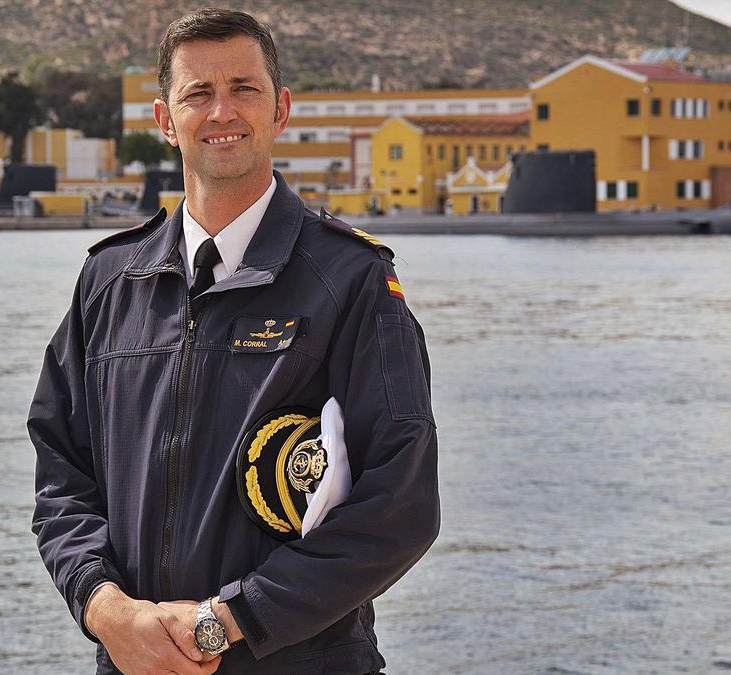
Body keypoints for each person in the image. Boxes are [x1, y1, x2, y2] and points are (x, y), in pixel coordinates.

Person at [28, 8, 440, 674]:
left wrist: (224, 624)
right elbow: (61, 475)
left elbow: (401, 502)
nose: (222, 111)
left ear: (279, 110)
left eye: (243, 89)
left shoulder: (350, 280)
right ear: (166, 119)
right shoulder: (108, 282)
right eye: (198, 93)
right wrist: (105, 608)